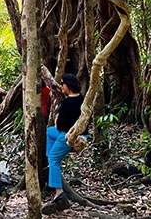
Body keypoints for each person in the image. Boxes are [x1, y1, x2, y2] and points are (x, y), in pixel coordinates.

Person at [46, 73, 84, 203]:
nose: (61, 86)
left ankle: (59, 191)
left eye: (62, 84)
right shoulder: (83, 99)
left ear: (68, 85)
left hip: (68, 136)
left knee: (53, 159)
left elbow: (61, 125)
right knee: (49, 132)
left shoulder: (67, 103)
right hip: (82, 134)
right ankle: (51, 157)